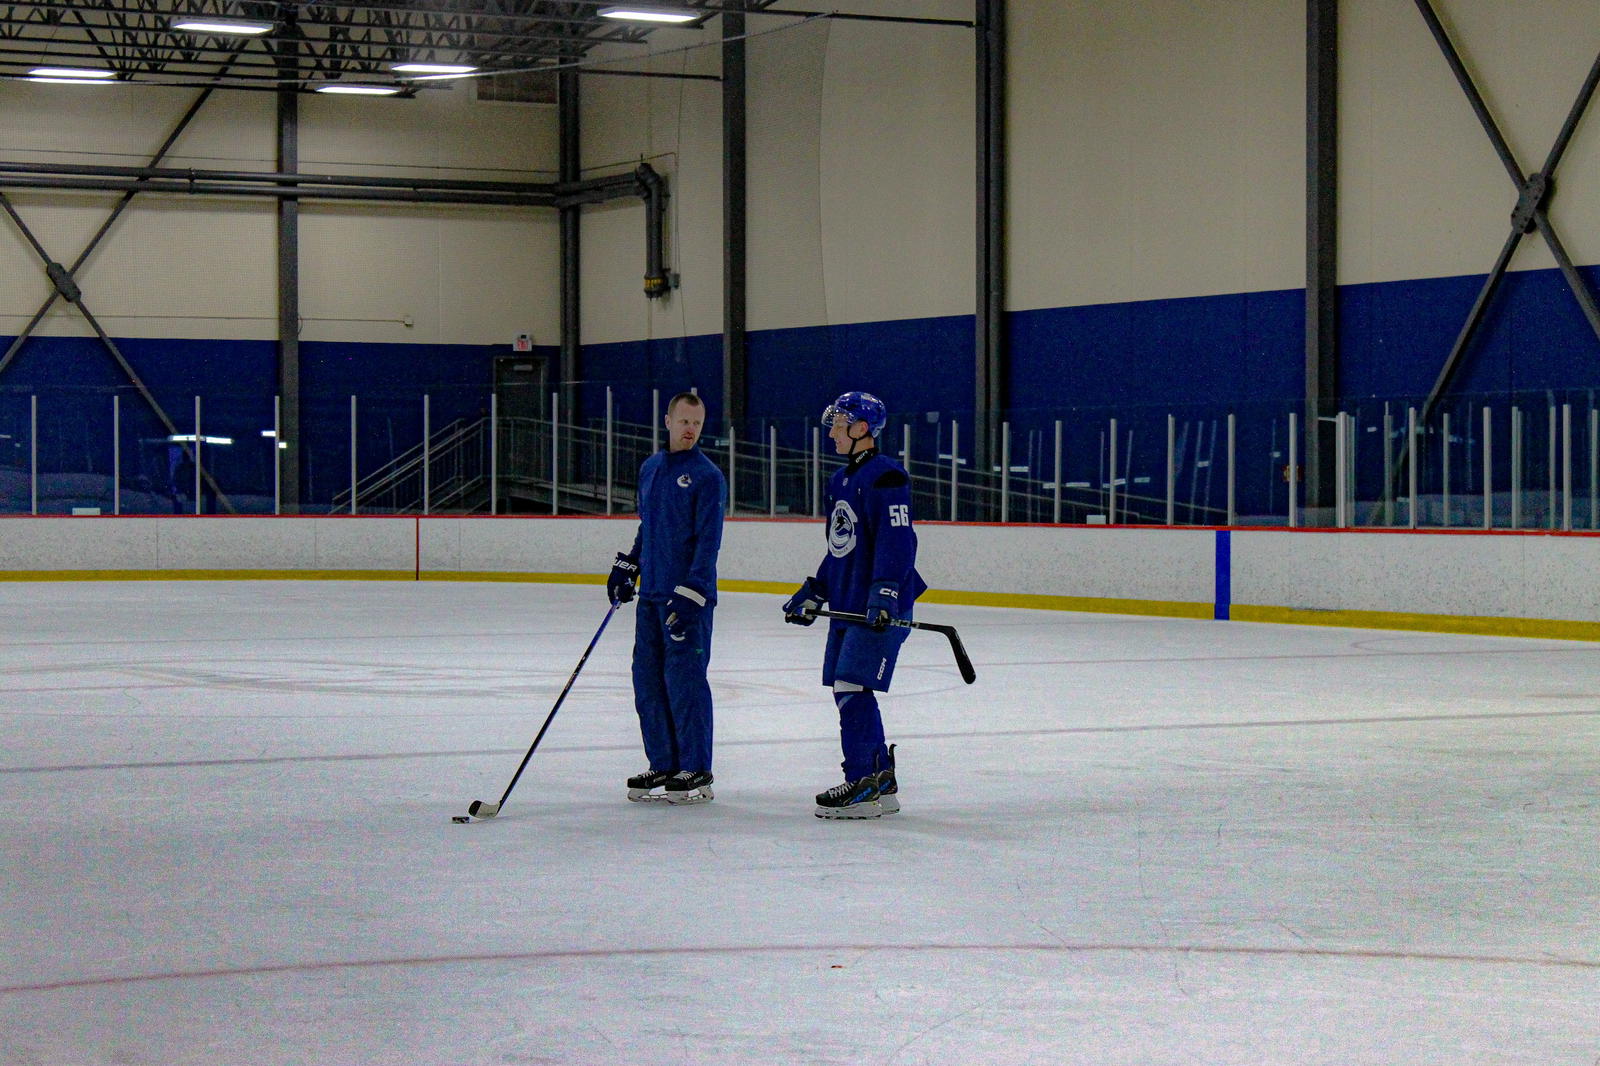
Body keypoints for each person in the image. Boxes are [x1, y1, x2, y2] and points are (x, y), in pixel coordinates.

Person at [783, 390, 927, 819]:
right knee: (846, 687)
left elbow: (897, 542)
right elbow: (841, 548)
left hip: (879, 605)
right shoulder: (841, 480)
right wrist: (815, 590)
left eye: (838, 423)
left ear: (861, 428)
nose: (831, 432)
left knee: (850, 685)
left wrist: (884, 593)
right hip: (848, 602)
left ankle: (862, 780)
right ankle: (880, 779)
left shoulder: (888, 477)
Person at [606, 392, 726, 805]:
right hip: (652, 598)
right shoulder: (651, 468)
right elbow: (649, 526)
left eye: (697, 422)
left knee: (685, 682)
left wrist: (692, 592)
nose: (690, 429)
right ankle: (664, 762)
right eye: (684, 421)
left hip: (686, 603)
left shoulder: (707, 477)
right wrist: (630, 565)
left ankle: (696, 767)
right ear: (668, 421)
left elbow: (708, 543)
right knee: (648, 681)